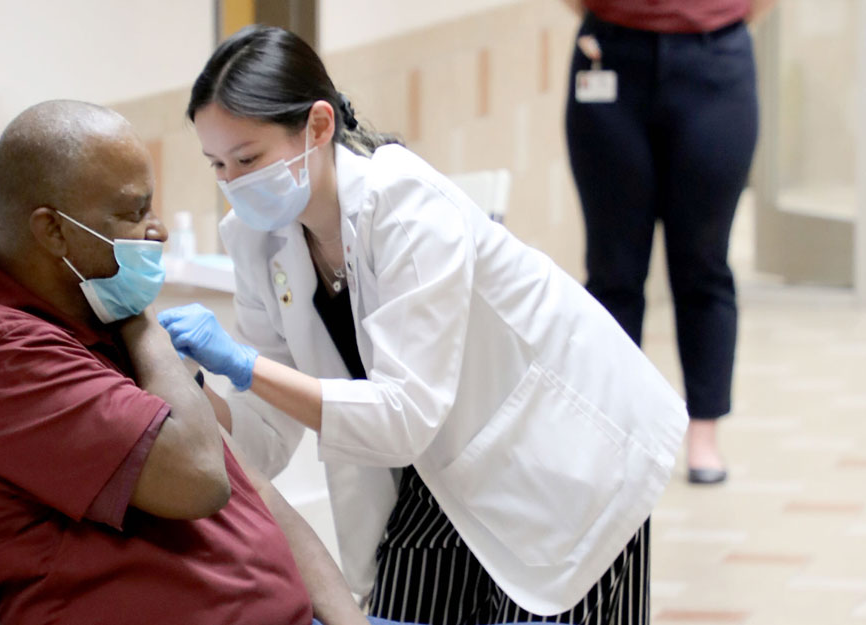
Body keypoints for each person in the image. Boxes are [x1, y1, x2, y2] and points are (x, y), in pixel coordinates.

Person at [158, 25, 688, 625]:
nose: (233, 184)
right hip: (433, 472)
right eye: (217, 165)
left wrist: (249, 366)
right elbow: (266, 437)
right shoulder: (255, 241)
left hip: (558, 461)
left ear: (319, 126)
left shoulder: (404, 205)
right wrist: (195, 390)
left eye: (248, 159)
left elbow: (402, 415)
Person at [0, 99, 408, 625]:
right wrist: (141, 320)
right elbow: (198, 475)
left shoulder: (88, 316)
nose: (158, 229)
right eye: (133, 211)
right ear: (53, 231)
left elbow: (251, 485)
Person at [562, 0, 773, 484]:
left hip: (715, 59)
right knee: (613, 269)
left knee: (703, 261)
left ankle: (704, 433)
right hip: (609, 54)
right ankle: (613, 433)